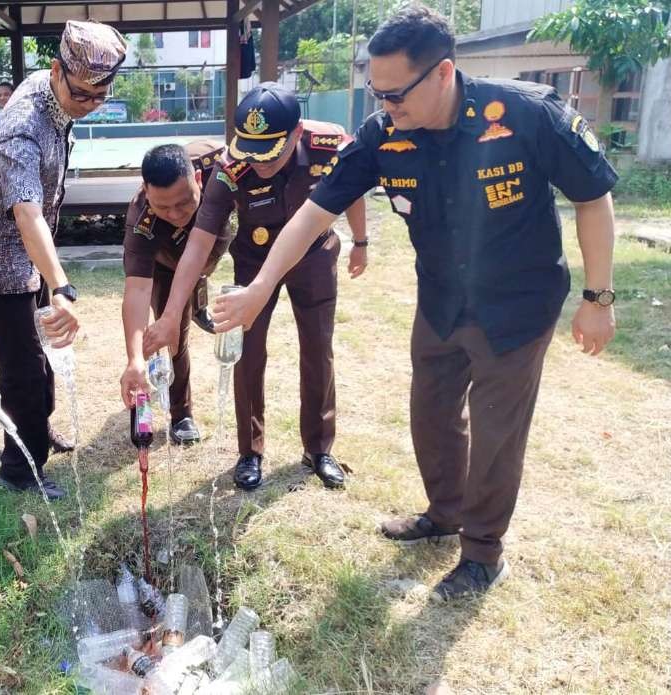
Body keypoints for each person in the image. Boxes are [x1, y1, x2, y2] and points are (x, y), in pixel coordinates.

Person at [213, 5, 618, 601]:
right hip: (441, 300)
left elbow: (593, 197)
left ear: (444, 73)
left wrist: (598, 297)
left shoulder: (526, 115)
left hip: (518, 304)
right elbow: (313, 215)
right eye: (377, 93)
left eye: (395, 94)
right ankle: (445, 512)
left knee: (496, 429)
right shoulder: (382, 137)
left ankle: (483, 552)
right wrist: (258, 288)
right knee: (431, 413)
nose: (385, 107)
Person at [144, 84, 368, 492]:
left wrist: (361, 241)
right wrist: (172, 313)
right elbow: (199, 241)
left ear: (296, 134)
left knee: (318, 347)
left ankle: (319, 448)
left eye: (271, 153)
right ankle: (250, 450)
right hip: (254, 260)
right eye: (251, 151)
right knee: (245, 353)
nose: (259, 163)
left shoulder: (329, 144)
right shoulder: (233, 168)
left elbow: (351, 187)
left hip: (314, 256)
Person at [0, 20, 127, 499]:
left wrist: (49, 275)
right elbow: (26, 214)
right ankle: (19, 468)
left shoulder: (53, 90)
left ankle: (39, 430)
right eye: (82, 96)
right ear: (57, 71)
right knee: (22, 366)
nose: (90, 105)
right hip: (2, 253)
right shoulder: (21, 128)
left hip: (33, 250)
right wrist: (61, 285)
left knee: (45, 351)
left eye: (101, 97)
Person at [119, 141, 231, 445]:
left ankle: (198, 304)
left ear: (198, 179)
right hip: (167, 265)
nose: (175, 213)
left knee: (197, 278)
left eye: (183, 203)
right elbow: (137, 290)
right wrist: (134, 359)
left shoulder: (222, 168)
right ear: (146, 191)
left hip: (210, 253)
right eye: (162, 207)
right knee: (170, 335)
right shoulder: (140, 217)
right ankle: (180, 413)